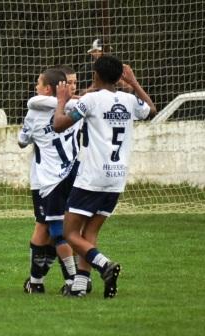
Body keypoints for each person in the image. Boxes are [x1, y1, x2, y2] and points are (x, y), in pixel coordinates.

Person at [53, 55, 157, 298]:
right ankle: (80, 285)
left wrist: (60, 101)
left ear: (95, 75)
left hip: (92, 178)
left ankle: (104, 265)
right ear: (121, 77)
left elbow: (59, 124)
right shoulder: (130, 100)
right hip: (116, 179)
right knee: (89, 234)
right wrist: (133, 83)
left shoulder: (90, 100)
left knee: (69, 234)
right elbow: (151, 110)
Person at [18, 67, 81, 294]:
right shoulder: (76, 109)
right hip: (74, 176)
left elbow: (22, 141)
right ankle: (38, 281)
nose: (35, 86)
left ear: (46, 88)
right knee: (53, 229)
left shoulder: (34, 113)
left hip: (47, 181)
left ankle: (70, 280)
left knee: (52, 230)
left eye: (38, 82)